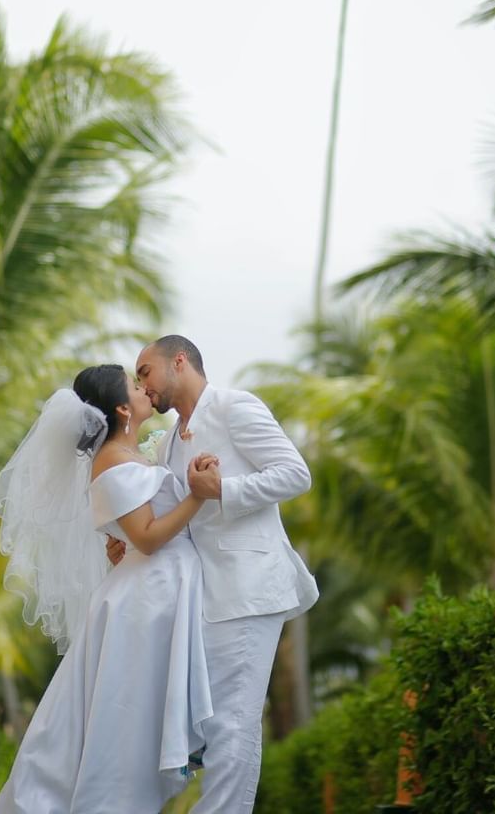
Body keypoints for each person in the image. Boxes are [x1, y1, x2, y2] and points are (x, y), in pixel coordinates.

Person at [0, 364, 221, 814]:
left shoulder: (131, 455)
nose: (144, 389)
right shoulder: (113, 458)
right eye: (136, 385)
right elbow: (150, 537)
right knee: (122, 728)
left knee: (126, 724)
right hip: (143, 603)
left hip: (153, 593)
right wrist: (196, 494)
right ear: (122, 407)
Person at [110, 334, 318, 814]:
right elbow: (173, 515)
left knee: (233, 722)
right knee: (206, 726)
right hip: (202, 598)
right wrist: (129, 538)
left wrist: (223, 488)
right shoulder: (166, 445)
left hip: (248, 587)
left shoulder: (234, 407)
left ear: (178, 362)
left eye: (145, 372)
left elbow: (295, 473)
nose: (142, 385)